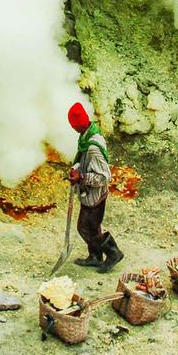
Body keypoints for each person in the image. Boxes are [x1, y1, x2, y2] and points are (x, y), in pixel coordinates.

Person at [66, 102, 123, 273]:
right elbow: (82, 160)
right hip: (89, 193)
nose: (72, 128)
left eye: (72, 125)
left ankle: (113, 253)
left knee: (87, 228)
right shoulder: (86, 137)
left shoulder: (93, 147)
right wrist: (75, 169)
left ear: (78, 124)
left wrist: (82, 177)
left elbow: (104, 177)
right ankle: (95, 257)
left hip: (95, 196)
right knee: (90, 227)